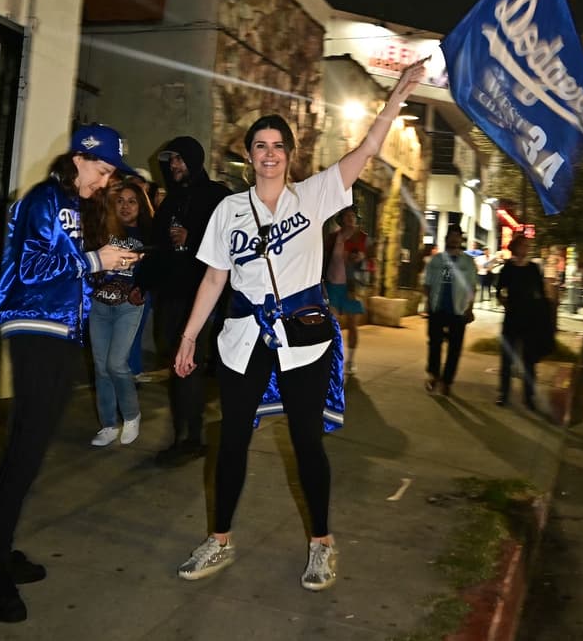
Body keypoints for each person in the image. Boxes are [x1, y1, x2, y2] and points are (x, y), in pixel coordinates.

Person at [171, 61, 425, 591]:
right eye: (259, 145)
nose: (268, 154)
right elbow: (215, 280)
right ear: (248, 154)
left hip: (303, 336)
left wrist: (398, 95)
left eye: (277, 146)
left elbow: (367, 151)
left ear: (290, 155)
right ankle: (219, 538)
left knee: (307, 442)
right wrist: (190, 335)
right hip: (243, 337)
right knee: (233, 440)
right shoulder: (228, 211)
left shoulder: (313, 197)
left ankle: (322, 544)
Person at [0, 124, 138, 623]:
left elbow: (68, 266)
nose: (105, 183)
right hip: (34, 325)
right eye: (102, 171)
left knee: (32, 446)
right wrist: (93, 259)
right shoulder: (43, 198)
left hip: (62, 330)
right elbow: (29, 268)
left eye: (109, 174)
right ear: (80, 159)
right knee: (24, 445)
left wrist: (102, 265)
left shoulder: (75, 204)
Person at [148, 136, 231, 466]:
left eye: (180, 159)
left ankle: (191, 439)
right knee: (177, 366)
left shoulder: (216, 197)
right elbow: (157, 245)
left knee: (188, 368)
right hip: (170, 296)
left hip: (199, 298)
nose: (174, 165)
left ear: (195, 160)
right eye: (171, 161)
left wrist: (191, 238)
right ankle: (186, 434)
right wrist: (143, 283)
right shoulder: (170, 202)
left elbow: (227, 244)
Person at [82, 176, 153, 447]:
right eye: (120, 201)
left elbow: (155, 272)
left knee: (116, 364)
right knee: (100, 368)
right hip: (99, 305)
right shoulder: (102, 230)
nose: (125, 206)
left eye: (132, 201)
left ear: (141, 206)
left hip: (128, 307)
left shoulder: (147, 236)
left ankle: (132, 415)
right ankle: (108, 424)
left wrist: (144, 287)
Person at [423, 223, 479, 396]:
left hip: (458, 309)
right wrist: (428, 303)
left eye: (457, 236)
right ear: (447, 238)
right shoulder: (437, 259)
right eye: (452, 235)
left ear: (461, 239)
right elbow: (427, 283)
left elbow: (472, 287)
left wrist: (470, 308)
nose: (455, 239)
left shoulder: (467, 262)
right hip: (437, 307)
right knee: (434, 344)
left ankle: (447, 381)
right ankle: (434, 375)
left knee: (455, 347)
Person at [494, 235, 548, 409]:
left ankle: (529, 396)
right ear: (515, 247)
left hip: (529, 319)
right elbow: (499, 290)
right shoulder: (508, 268)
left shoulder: (533, 268)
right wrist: (504, 302)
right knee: (507, 358)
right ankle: (504, 393)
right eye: (523, 245)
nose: (526, 248)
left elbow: (541, 292)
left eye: (527, 246)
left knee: (528, 360)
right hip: (512, 317)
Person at [323, 206, 369, 375]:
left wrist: (362, 259)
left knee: (352, 325)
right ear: (341, 219)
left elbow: (372, 263)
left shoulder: (363, 238)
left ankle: (351, 360)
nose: (350, 218)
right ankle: (334, 358)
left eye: (353, 216)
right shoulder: (333, 237)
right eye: (347, 215)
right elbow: (324, 258)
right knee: (332, 325)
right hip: (333, 284)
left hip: (352, 287)